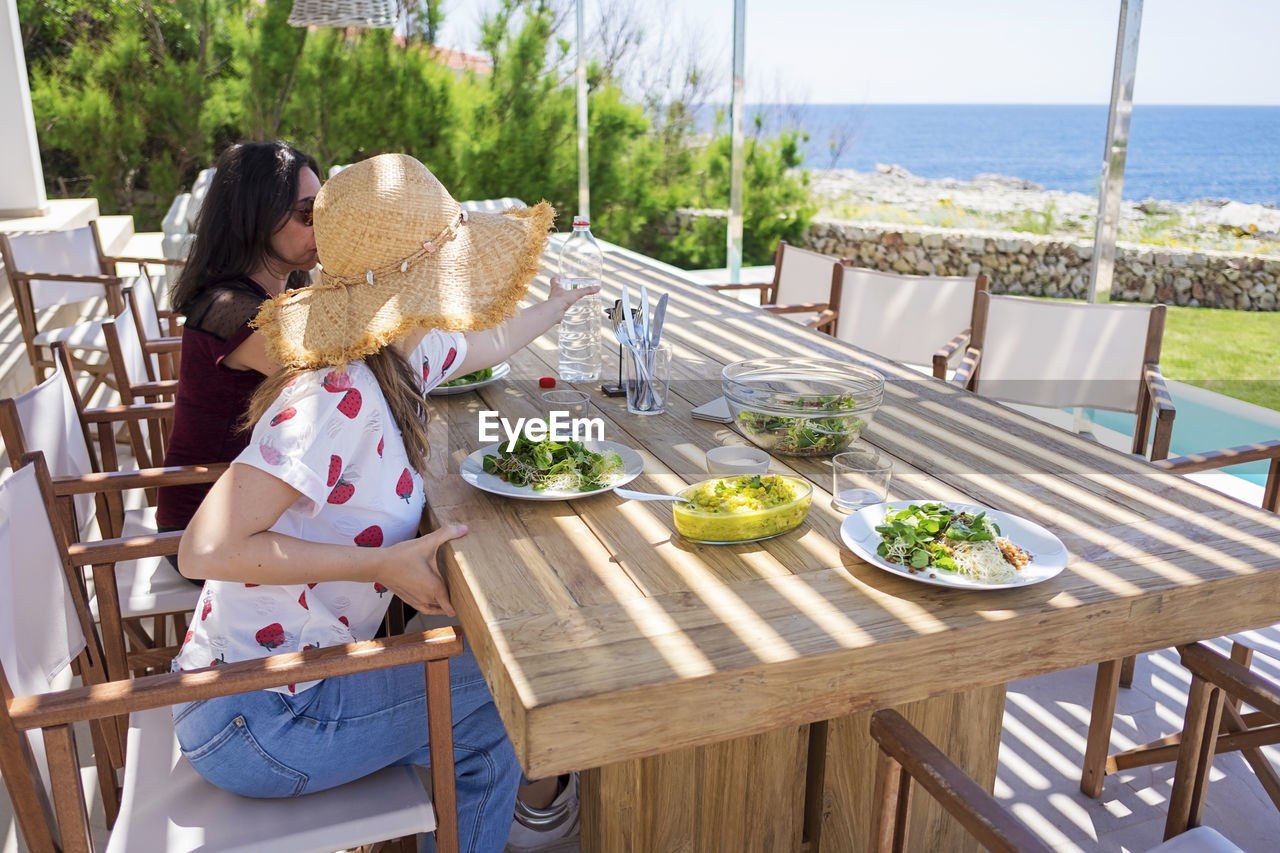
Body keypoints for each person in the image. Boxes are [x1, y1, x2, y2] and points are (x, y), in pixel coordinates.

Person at [170, 153, 594, 852]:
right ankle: (536, 822)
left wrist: (555, 308)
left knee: (483, 691)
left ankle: (511, 821)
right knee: (500, 696)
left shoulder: (397, 358)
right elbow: (203, 547)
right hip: (255, 713)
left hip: (281, 687)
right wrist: (383, 565)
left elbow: (482, 345)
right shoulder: (335, 394)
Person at [156, 140, 322, 580]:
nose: (323, 224)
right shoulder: (228, 308)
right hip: (207, 527)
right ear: (257, 217)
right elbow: (335, 378)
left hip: (256, 504)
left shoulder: (279, 296)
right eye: (309, 213)